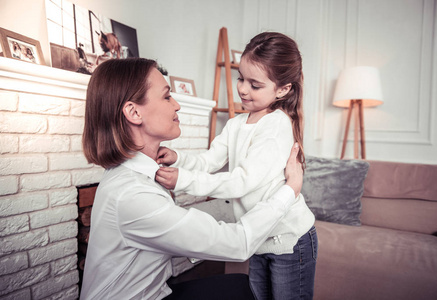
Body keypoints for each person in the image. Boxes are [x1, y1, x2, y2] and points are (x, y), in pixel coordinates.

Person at [80, 57, 305, 300]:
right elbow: (237, 243)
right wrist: (291, 189)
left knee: (242, 286)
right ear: (134, 112)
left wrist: (180, 164)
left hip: (154, 292)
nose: (177, 105)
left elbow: (224, 179)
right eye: (167, 96)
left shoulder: (136, 173)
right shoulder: (133, 194)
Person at [156, 32, 317, 300]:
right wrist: (179, 159)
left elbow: (241, 181)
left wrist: (182, 179)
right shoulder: (235, 125)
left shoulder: (276, 125)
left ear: (283, 89)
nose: (242, 89)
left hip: (291, 240)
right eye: (241, 78)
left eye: (255, 85)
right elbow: (209, 161)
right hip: (258, 237)